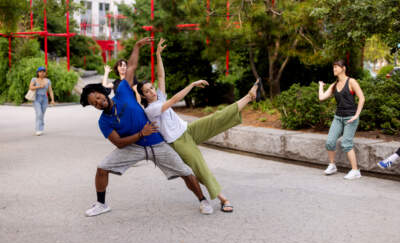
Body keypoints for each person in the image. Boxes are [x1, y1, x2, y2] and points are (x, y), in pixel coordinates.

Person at [80, 38, 213, 217]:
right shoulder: (103, 121)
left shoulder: (123, 92)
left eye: (97, 97)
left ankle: (203, 200)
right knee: (102, 168)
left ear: (102, 93)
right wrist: (140, 134)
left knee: (185, 172)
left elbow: (132, 67)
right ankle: (101, 204)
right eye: (94, 103)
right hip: (134, 147)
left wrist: (136, 46)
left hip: (156, 143)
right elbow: (119, 143)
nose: (98, 102)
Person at [137, 38, 260, 213]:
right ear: (143, 96)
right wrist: (193, 84)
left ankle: (249, 96)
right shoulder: (151, 109)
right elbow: (175, 100)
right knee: (200, 168)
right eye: (146, 91)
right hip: (178, 142)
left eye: (151, 88)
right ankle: (223, 199)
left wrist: (158, 55)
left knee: (217, 118)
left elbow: (161, 76)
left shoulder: (159, 97)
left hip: (188, 130)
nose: (151, 92)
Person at [318, 60, 365, 179]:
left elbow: (362, 98)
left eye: (336, 67)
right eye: (333, 67)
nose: (334, 69)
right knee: (329, 142)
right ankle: (332, 165)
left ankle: (355, 171)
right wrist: (320, 86)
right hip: (338, 117)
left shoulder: (351, 82)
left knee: (346, 144)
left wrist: (356, 115)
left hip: (351, 117)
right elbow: (321, 97)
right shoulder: (333, 85)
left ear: (343, 68)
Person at [29, 66, 55, 136]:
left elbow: (50, 91)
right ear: (38, 73)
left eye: (43, 72)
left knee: (42, 115)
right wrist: (39, 86)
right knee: (39, 114)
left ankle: (41, 127)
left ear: (45, 73)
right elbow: (31, 87)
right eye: (40, 72)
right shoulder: (34, 79)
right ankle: (38, 129)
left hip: (44, 99)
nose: (42, 73)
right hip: (36, 98)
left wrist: (52, 100)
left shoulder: (48, 81)